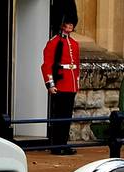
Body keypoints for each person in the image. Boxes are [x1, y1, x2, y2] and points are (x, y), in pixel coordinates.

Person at [41, 2, 80, 155]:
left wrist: (76, 83)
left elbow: (76, 65)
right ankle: (56, 146)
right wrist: (50, 84)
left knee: (67, 117)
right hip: (60, 83)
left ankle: (63, 143)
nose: (69, 26)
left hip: (70, 84)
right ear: (62, 25)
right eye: (67, 23)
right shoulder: (54, 42)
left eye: (71, 23)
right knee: (59, 116)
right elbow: (47, 65)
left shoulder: (74, 44)